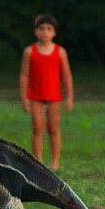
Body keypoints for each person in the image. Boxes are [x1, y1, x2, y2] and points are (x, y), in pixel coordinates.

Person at [19, 14, 74, 170]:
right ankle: (38, 161)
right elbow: (24, 75)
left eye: (49, 29)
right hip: (35, 96)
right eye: (42, 29)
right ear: (36, 31)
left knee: (54, 128)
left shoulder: (60, 52)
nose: (45, 32)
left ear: (54, 32)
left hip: (54, 96)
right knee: (37, 127)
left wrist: (69, 97)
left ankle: (55, 162)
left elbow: (66, 75)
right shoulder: (30, 52)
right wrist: (24, 98)